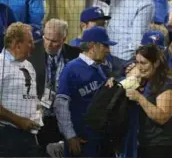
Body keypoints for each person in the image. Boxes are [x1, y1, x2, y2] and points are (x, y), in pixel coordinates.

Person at [54, 26, 117, 157]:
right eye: (105, 46)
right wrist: (70, 136)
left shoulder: (100, 68)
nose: (108, 50)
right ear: (92, 46)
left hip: (99, 141)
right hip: (81, 142)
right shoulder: (71, 69)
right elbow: (61, 104)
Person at [27, 18, 81, 152]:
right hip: (39, 116)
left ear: (64, 38)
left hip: (65, 117)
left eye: (55, 41)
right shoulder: (30, 52)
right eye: (46, 38)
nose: (49, 44)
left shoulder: (76, 55)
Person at [119, 44, 172, 158]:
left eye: (144, 63)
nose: (140, 67)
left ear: (155, 63)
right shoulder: (144, 82)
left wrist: (139, 98)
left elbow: (162, 117)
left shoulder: (167, 85)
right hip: (141, 144)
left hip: (160, 146)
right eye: (137, 62)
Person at [0, 22, 44, 157]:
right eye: (29, 42)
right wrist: (19, 121)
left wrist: (38, 109)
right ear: (17, 44)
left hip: (29, 135)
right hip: (6, 135)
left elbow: (31, 95)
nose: (34, 46)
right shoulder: (1, 64)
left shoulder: (29, 65)